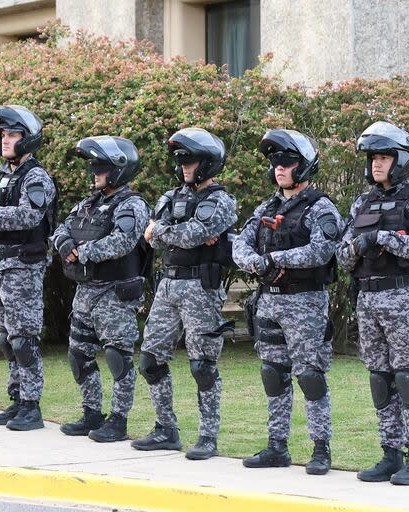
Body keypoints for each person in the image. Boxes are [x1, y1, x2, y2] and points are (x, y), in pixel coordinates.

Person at [231, 129, 342, 475]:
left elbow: (322, 249)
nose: (280, 168)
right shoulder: (267, 206)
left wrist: (276, 258)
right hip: (269, 302)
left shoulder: (320, 207)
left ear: (304, 166)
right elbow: (240, 243)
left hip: (305, 303)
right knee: (273, 374)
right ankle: (277, 446)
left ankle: (321, 448)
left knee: (310, 376)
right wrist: (254, 261)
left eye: (288, 162)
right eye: (276, 162)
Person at [337, 121, 409, 486]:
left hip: (402, 297)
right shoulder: (362, 202)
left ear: (400, 159)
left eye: (383, 157)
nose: (376, 164)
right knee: (380, 379)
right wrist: (359, 246)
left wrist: (381, 237)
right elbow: (343, 255)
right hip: (368, 298)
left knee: (407, 378)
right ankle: (389, 453)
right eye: (373, 158)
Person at [132, 128, 237, 460]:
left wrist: (167, 231)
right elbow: (151, 236)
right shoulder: (170, 197)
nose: (184, 166)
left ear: (206, 162)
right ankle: (166, 428)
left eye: (189, 159)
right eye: (180, 160)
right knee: (149, 360)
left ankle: (208, 436)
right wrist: (172, 233)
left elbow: (192, 234)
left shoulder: (220, 200)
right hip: (168, 285)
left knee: (202, 365)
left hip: (201, 289)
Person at [53, 135, 151, 442]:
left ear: (119, 170)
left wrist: (82, 251)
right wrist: (65, 244)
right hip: (86, 290)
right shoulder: (89, 203)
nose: (94, 172)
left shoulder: (131, 205)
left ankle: (119, 420)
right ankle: (91, 412)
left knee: (117, 357)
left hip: (116, 292)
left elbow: (123, 241)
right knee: (78, 353)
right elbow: (61, 228)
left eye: (101, 167)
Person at [0, 105, 56, 431]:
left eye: (12, 134)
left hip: (23, 266)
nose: (5, 140)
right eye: (3, 134)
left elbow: (29, 216)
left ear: (27, 139)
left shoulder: (36, 178)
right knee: (6, 338)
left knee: (23, 339)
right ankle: (17, 399)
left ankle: (32, 406)